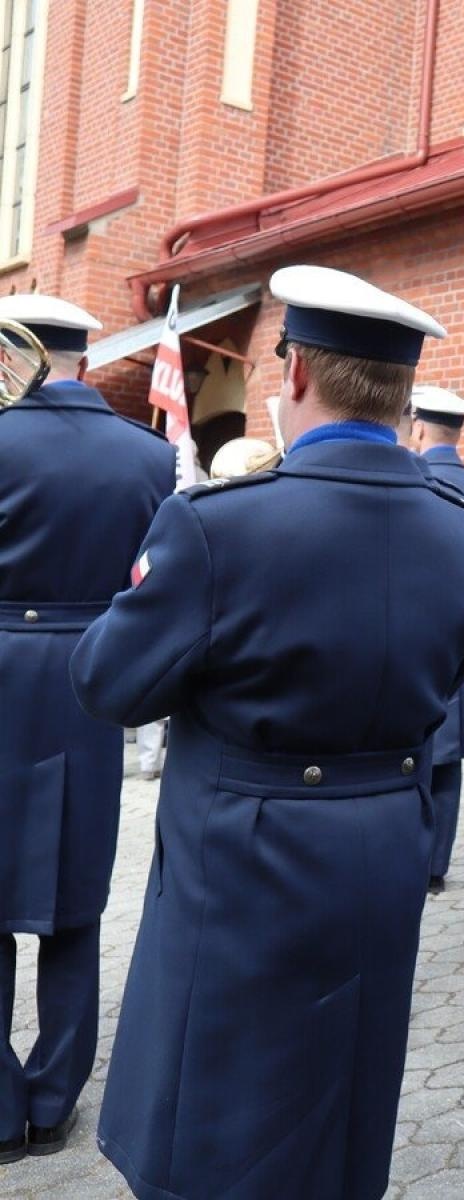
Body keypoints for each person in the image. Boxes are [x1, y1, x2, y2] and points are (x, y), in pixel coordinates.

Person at [72, 265, 464, 1200]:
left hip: (247, 851)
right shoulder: (463, 525)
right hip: (387, 836)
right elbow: (452, 670)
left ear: (295, 372)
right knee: (340, 1102)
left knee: (214, 1123)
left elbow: (108, 683)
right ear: (401, 393)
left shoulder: (218, 526)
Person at [0, 296, 173, 1163]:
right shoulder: (149, 452)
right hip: (91, 677)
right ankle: (53, 1099)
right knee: (75, 905)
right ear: (83, 356)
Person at [409, 385, 464, 893]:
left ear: (419, 427)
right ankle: (436, 867)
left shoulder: (418, 479)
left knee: (418, 754)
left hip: (419, 639)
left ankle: (412, 859)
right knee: (448, 767)